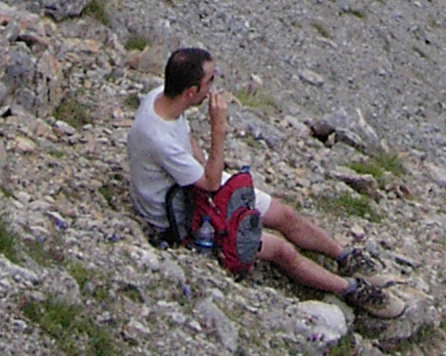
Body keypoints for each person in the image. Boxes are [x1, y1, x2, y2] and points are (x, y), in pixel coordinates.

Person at [127, 45, 394, 310]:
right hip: (180, 216)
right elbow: (208, 182)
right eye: (210, 80)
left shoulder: (161, 98)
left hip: (193, 186)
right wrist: (218, 130)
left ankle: (345, 257)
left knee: (285, 214)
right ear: (191, 91)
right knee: (281, 250)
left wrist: (206, 165)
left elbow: (186, 140)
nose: (214, 86)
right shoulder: (158, 137)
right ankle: (351, 290)